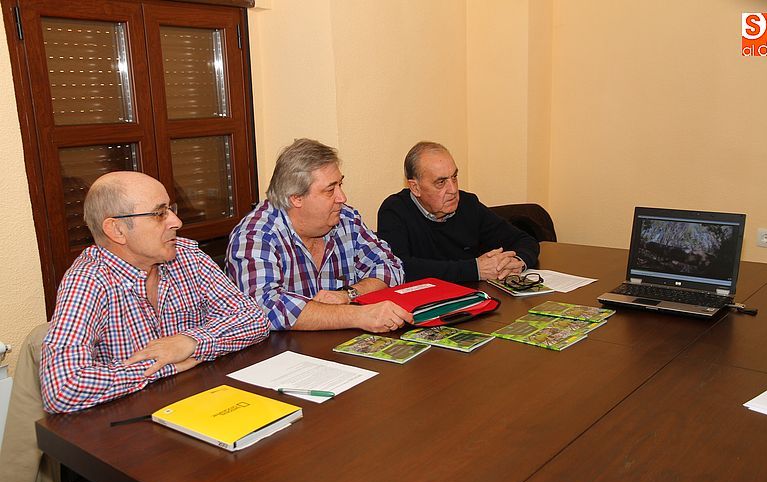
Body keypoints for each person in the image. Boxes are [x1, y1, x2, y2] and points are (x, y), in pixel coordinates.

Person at [40, 171, 270, 414]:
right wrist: (163, 364)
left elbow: (254, 319)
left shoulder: (186, 255)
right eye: (159, 213)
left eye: (171, 209)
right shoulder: (88, 281)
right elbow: (62, 387)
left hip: (203, 402)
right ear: (117, 230)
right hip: (136, 427)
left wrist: (191, 342)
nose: (176, 221)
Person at [226, 138, 411, 332]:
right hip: (282, 356)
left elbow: (391, 267)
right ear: (296, 198)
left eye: (340, 184)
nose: (342, 197)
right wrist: (358, 316)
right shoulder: (256, 235)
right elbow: (264, 307)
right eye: (330, 190)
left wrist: (348, 294)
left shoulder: (346, 219)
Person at [377, 141, 540, 282]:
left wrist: (517, 262)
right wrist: (475, 269)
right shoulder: (394, 211)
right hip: (426, 308)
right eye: (441, 182)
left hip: (474, 301)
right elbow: (400, 268)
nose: (453, 189)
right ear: (415, 187)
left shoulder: (468, 204)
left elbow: (525, 240)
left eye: (454, 177)